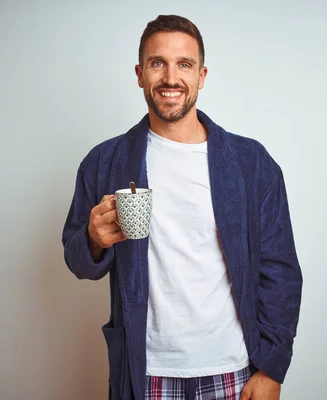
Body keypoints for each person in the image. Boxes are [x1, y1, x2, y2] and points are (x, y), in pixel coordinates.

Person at [62, 15, 302, 400]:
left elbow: (281, 271)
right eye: (158, 63)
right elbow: (76, 260)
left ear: (202, 75)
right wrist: (93, 239)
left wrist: (273, 367)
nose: (170, 78)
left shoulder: (251, 163)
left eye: (184, 64)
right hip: (145, 372)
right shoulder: (104, 162)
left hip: (234, 370)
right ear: (140, 74)